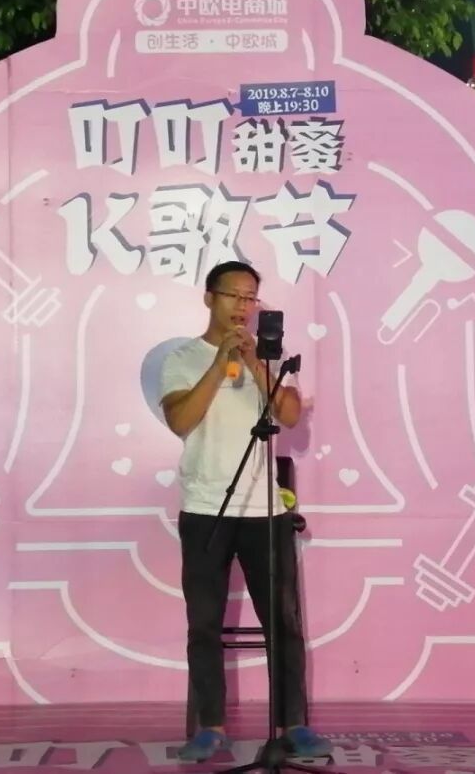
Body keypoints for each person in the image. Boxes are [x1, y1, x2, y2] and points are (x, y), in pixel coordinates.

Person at [159, 261, 332, 763]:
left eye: (250, 297)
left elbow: (290, 416)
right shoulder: (182, 359)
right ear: (209, 298)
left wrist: (256, 364)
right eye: (233, 295)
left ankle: (294, 724)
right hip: (205, 509)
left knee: (284, 623)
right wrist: (220, 364)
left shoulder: (267, 360)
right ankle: (210, 727)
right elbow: (180, 420)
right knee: (204, 624)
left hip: (265, 511)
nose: (242, 306)